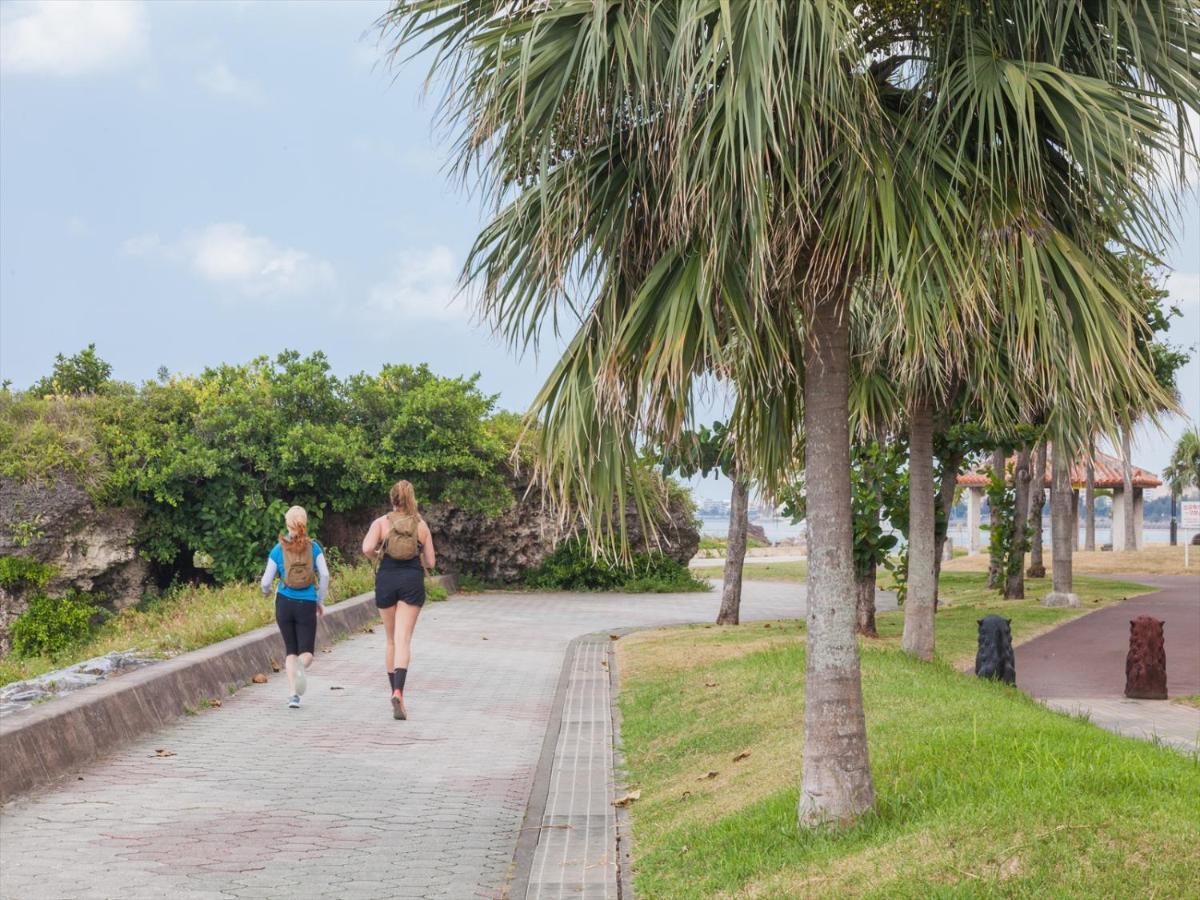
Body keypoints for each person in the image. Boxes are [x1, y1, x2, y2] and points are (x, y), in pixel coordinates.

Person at [362, 480, 436, 720]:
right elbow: (432, 563)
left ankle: (393, 690)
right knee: (403, 641)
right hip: (411, 581)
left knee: (391, 641)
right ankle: (399, 692)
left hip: (386, 580)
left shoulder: (381, 523)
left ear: (392, 498)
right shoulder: (421, 525)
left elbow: (366, 549)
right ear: (411, 499)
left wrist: (378, 554)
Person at [260, 506, 329, 709]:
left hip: (284, 603)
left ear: (287, 524)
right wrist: (319, 600)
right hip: (307, 602)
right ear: (305, 524)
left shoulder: (277, 549)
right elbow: (324, 575)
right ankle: (301, 667)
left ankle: (293, 696)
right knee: (306, 653)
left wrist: (266, 593)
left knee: (290, 651)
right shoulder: (314, 548)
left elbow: (266, 581)